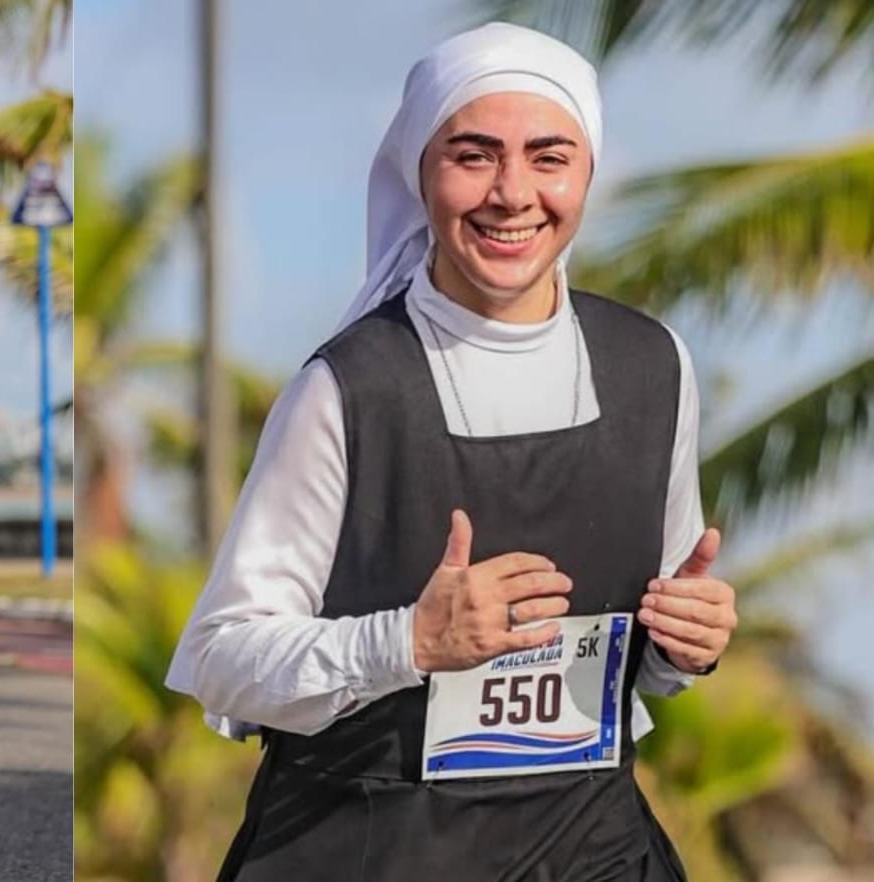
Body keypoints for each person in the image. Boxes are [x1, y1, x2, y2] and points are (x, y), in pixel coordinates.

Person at [165, 23, 739, 881]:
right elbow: (221, 656)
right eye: (473, 155)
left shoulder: (653, 366)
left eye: (549, 158)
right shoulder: (349, 387)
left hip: (590, 850)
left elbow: (639, 661)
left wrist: (683, 642)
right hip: (369, 851)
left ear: (587, 172)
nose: (512, 194)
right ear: (419, 172)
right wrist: (407, 641)